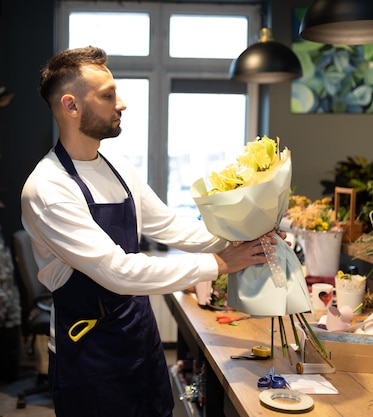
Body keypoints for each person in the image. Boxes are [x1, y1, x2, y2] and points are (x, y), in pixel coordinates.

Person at [21, 45, 280, 417]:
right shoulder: (48, 188)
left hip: (139, 337)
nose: (121, 103)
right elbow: (118, 271)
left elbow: (171, 226)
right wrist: (220, 264)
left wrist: (246, 235)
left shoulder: (117, 167)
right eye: (108, 95)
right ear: (71, 106)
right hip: (89, 351)